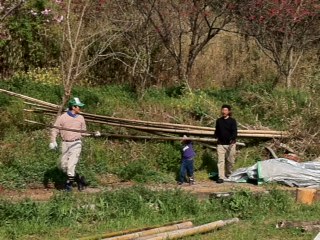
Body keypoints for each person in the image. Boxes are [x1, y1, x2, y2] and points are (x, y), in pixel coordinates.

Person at [49, 97, 100, 191]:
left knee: (70, 166)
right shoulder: (62, 117)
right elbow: (55, 129)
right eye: (78, 107)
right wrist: (53, 140)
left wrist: (93, 134)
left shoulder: (81, 118)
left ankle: (68, 186)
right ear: (73, 107)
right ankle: (80, 180)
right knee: (63, 166)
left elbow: (83, 132)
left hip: (76, 143)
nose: (80, 108)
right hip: (65, 144)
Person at [214, 104, 237, 184]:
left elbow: (234, 132)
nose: (224, 111)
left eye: (225, 110)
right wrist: (216, 137)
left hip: (231, 144)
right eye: (223, 110)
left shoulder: (232, 121)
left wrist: (232, 139)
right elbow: (216, 131)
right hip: (220, 144)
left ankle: (229, 174)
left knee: (230, 161)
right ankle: (221, 177)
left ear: (229, 111)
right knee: (220, 161)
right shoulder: (218, 121)